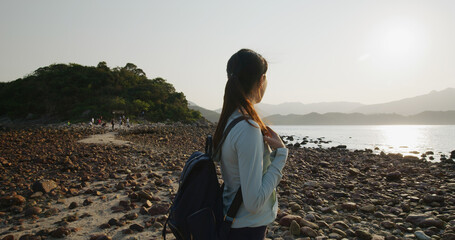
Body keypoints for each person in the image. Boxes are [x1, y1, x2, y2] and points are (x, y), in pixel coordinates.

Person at [213, 49, 288, 240]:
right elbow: (253, 203)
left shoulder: (231, 120)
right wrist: (280, 156)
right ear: (261, 79)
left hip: (232, 221)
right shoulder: (248, 128)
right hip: (245, 229)